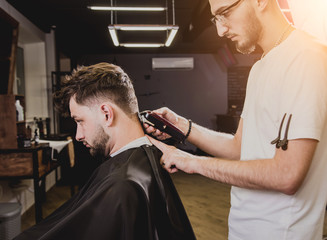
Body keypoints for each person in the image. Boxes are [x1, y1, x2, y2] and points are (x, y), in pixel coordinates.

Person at [144, 0, 327, 239]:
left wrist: (193, 162)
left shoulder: (307, 57)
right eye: (216, 19)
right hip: (244, 229)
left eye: (226, 13)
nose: (221, 30)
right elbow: (240, 148)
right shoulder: (260, 68)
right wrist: (182, 126)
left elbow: (287, 174)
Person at [14, 63, 196, 240]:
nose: (78, 135)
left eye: (80, 121)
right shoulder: (146, 159)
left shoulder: (121, 185)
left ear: (107, 114)